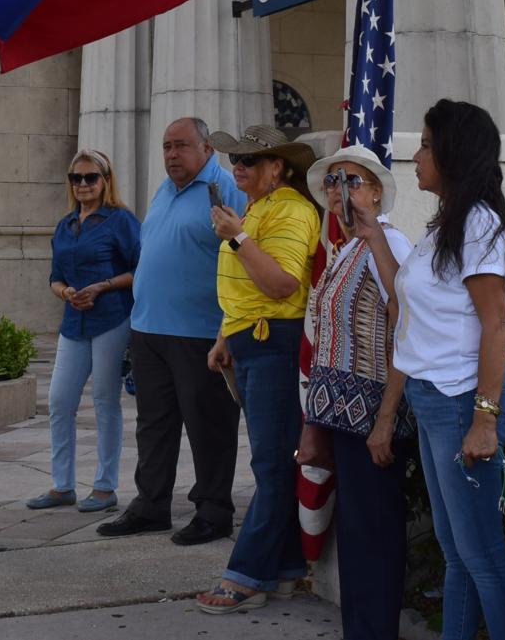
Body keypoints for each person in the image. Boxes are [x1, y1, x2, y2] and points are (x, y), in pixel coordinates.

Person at [393, 100, 505, 640]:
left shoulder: (479, 224)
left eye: (426, 144)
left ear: (453, 151)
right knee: (457, 555)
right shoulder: (447, 221)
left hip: (461, 401)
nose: (417, 155)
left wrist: (484, 419)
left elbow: (495, 327)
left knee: (483, 557)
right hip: (433, 400)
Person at [98, 117, 246, 544]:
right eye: (166, 147)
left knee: (209, 425)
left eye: (181, 146)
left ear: (207, 150)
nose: (171, 155)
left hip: (200, 332)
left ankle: (214, 509)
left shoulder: (225, 190)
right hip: (149, 329)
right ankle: (151, 504)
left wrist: (227, 330)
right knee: (154, 424)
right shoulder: (166, 190)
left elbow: (245, 252)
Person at [194, 125, 320, 615]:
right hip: (254, 343)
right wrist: (228, 335)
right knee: (273, 462)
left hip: (276, 346)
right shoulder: (259, 207)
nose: (239, 167)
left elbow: (282, 284)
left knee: (270, 466)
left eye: (251, 160)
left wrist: (237, 235)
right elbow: (248, 286)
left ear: (278, 168)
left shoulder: (289, 208)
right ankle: (285, 570)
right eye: (236, 160)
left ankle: (244, 576)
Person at [297, 143, 416, 640]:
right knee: (358, 533)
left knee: (373, 532)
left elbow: (406, 319)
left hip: (372, 414)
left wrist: (386, 419)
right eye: (333, 182)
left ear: (374, 192)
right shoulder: (346, 248)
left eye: (352, 181)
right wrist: (314, 424)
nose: (340, 191)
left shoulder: (389, 242)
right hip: (341, 416)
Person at [27, 149, 140, 513]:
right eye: (76, 178)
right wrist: (65, 292)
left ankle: (105, 486)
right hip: (73, 322)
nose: (83, 185)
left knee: (105, 400)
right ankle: (62, 485)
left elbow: (140, 271)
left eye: (91, 177)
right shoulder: (65, 225)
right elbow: (54, 277)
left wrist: (102, 286)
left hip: (111, 318)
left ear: (105, 180)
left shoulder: (121, 220)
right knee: (60, 401)